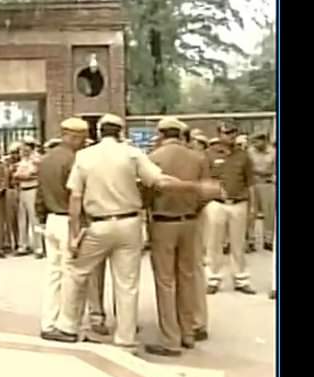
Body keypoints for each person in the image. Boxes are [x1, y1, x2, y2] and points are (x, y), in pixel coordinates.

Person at [44, 114, 218, 347]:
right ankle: (125, 338)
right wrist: (195, 186)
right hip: (129, 224)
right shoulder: (132, 153)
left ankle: (67, 326)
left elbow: (76, 198)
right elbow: (160, 182)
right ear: (121, 132)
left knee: (76, 272)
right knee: (127, 284)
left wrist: (75, 234)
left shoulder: (85, 156)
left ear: (98, 132)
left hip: (98, 224)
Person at [142, 117, 210, 357]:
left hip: (163, 221)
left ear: (161, 133)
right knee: (188, 277)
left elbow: (146, 194)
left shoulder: (153, 158)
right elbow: (206, 192)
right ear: (181, 134)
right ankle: (188, 331)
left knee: (165, 281)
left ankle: (170, 339)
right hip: (190, 220)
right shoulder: (198, 158)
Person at [36, 118, 91, 338]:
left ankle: (48, 321)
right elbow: (76, 196)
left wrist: (41, 217)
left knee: (53, 275)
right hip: (69, 220)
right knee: (72, 276)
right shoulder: (75, 160)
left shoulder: (47, 159)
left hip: (51, 219)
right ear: (74, 137)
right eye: (82, 138)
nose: (84, 142)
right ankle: (66, 324)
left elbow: (40, 194)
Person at [205, 123, 257, 295]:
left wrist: (253, 206)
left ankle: (241, 279)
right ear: (219, 134)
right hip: (216, 203)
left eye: (233, 132)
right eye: (226, 133)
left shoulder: (243, 155)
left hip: (239, 202)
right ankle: (213, 278)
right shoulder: (209, 155)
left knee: (238, 244)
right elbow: (204, 181)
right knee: (214, 243)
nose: (230, 136)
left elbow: (250, 183)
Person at [247, 133, 276, 251]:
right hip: (253, 183)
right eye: (254, 141)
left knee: (269, 213)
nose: (255, 144)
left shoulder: (273, 152)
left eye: (258, 141)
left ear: (264, 140)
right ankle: (250, 240)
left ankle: (268, 240)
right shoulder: (250, 152)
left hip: (267, 183)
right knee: (251, 212)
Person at [15, 139, 43, 258]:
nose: (23, 150)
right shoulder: (22, 159)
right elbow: (16, 175)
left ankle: (39, 248)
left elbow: (29, 174)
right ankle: (23, 245)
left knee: (34, 219)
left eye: (25, 147)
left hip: (32, 189)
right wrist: (19, 175)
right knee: (22, 219)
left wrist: (20, 175)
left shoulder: (36, 159)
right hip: (22, 190)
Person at [3, 143, 22, 253]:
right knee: (9, 218)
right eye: (13, 152)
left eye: (17, 152)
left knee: (19, 219)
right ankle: (8, 242)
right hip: (10, 191)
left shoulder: (23, 162)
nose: (15, 155)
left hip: (20, 190)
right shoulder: (6, 163)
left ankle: (19, 241)